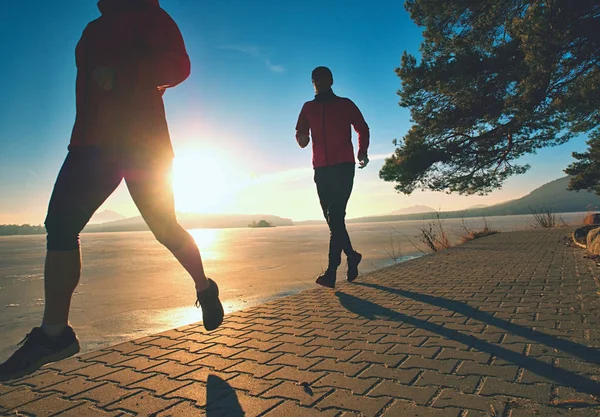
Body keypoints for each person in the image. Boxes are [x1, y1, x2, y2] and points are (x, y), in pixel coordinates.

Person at [0, 0, 224, 381]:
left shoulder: (152, 15)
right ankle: (55, 334)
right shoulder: (92, 29)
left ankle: (204, 287)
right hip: (92, 143)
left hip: (143, 144)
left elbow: (179, 67)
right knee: (60, 224)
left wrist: (124, 73)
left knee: (165, 229)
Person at [295, 66, 370, 288]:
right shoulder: (308, 108)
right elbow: (300, 131)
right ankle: (351, 255)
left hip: (344, 167)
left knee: (335, 215)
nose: (319, 82)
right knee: (333, 220)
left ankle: (331, 271)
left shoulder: (345, 104)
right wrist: (302, 138)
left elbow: (362, 128)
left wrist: (362, 151)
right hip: (321, 170)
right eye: (315, 79)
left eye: (323, 78)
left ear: (331, 81)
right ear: (312, 82)